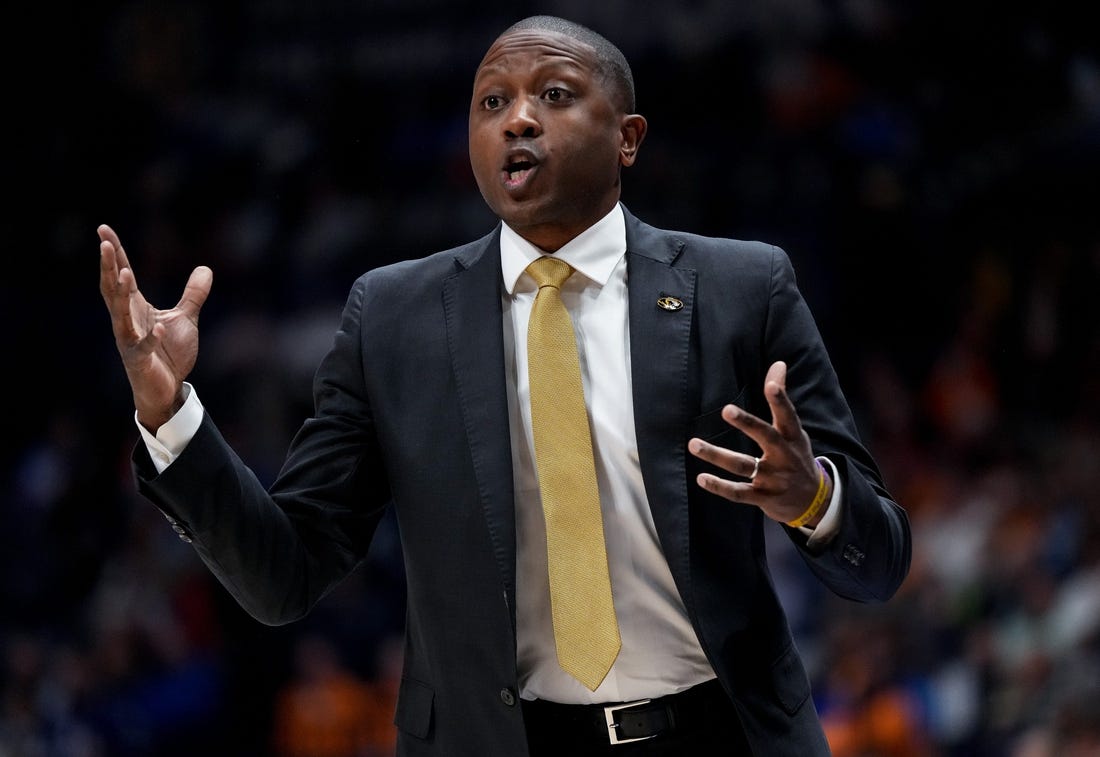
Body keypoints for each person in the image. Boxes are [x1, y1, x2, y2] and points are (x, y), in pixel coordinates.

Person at [98, 14, 911, 757]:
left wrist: (816, 499)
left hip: (722, 731)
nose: (518, 118)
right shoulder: (393, 316)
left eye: (554, 95)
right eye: (492, 102)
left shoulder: (743, 286)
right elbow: (284, 575)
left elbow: (877, 562)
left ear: (628, 138)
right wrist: (170, 411)